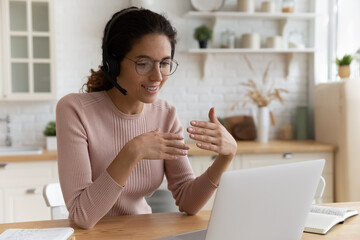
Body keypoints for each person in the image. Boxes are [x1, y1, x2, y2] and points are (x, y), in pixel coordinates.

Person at [56, 6, 237, 229]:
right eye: (143, 63)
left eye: (164, 63)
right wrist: (133, 151)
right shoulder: (75, 110)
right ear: (113, 64)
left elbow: (189, 202)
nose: (157, 76)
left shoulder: (166, 114)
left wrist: (225, 158)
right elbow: (82, 216)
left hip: (145, 233)